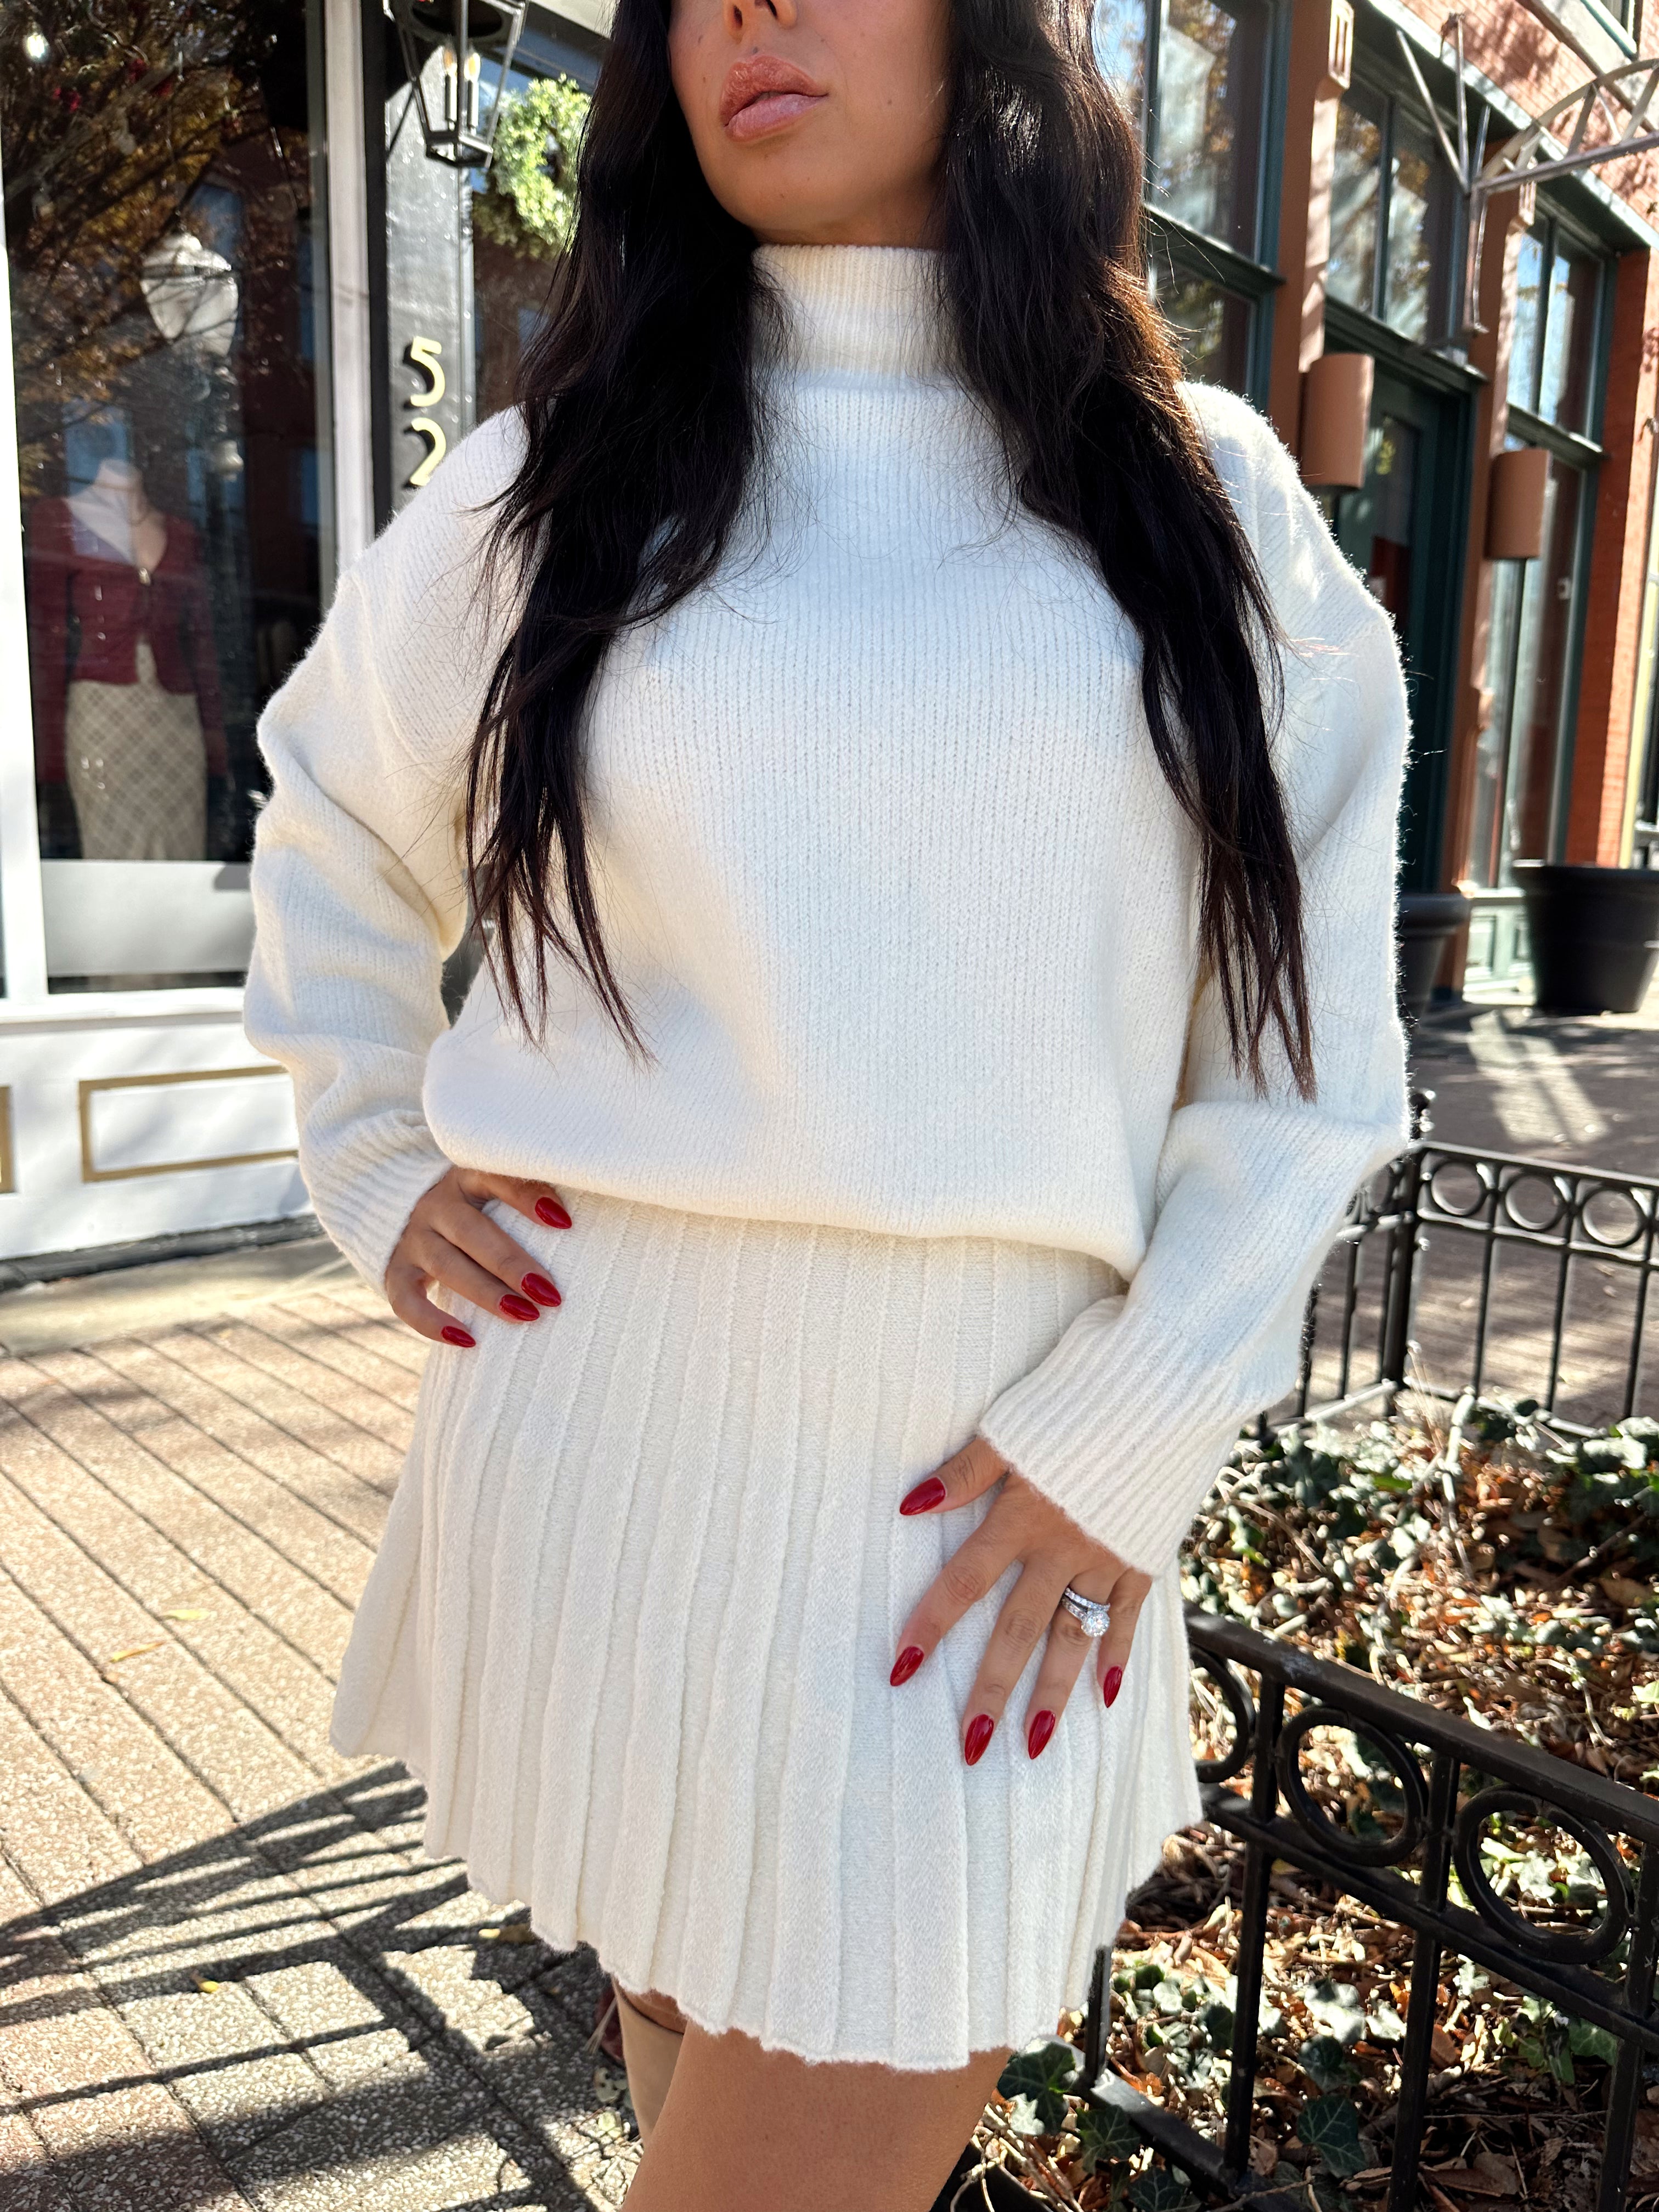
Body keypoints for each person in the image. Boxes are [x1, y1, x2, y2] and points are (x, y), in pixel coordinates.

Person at [244, 1, 1411, 2204]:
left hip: (970, 1529)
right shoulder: (565, 473)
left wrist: (1144, 1410)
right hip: (597, 1449)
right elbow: (329, 809)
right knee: (687, 2077)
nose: (748, 17)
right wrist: (374, 1147)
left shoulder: (1200, 498)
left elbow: (1309, 1068)